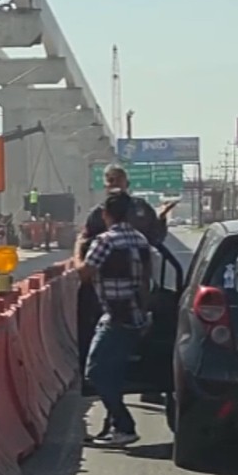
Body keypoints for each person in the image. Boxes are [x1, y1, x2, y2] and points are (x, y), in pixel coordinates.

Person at [78, 190, 154, 447]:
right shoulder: (140, 239)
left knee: (96, 372)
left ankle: (124, 425)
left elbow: (85, 274)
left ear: (105, 215)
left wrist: (78, 249)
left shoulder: (105, 241)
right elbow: (147, 280)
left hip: (116, 317)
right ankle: (112, 427)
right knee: (114, 373)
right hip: (136, 316)